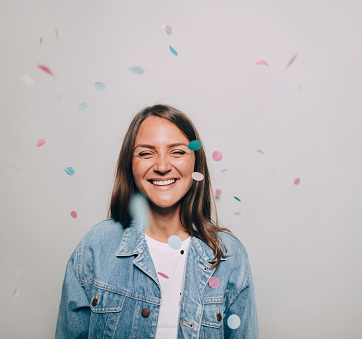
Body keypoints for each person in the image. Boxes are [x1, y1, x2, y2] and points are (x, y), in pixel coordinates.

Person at [55, 104, 259, 338]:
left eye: (178, 152)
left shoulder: (229, 255)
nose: (162, 166)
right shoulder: (96, 246)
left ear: (196, 164)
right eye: (145, 153)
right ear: (129, 165)